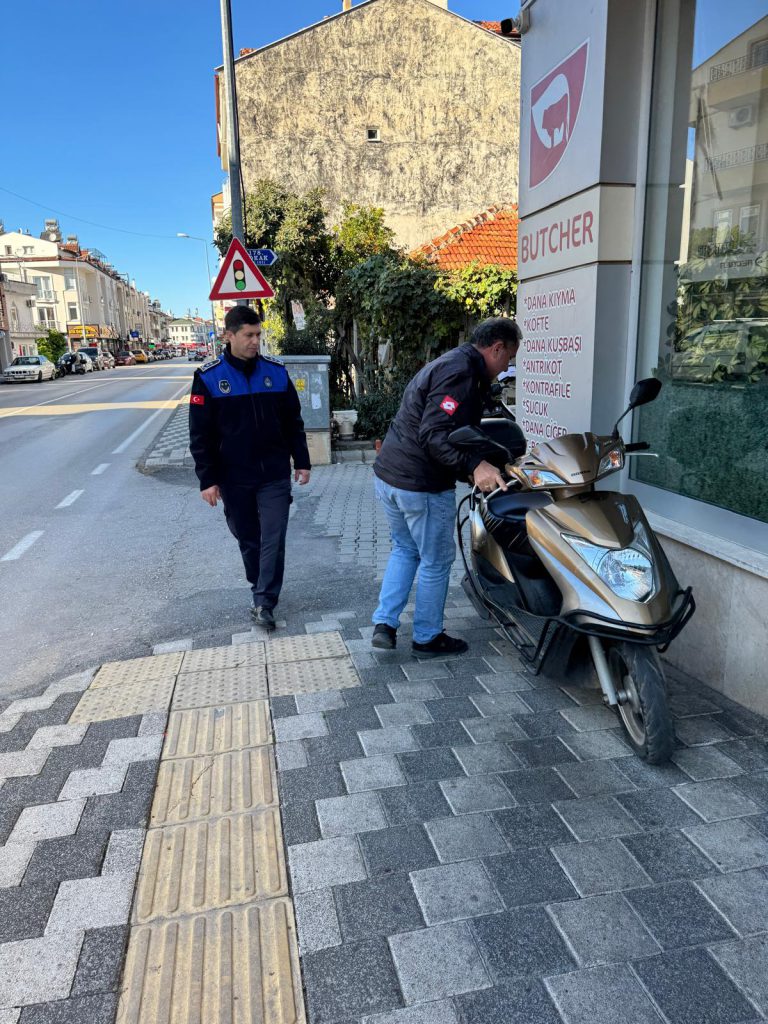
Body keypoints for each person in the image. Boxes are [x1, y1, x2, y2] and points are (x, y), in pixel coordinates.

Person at [372, 317, 521, 657]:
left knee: (405, 549)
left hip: (389, 476)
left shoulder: (452, 361)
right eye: (508, 358)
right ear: (496, 348)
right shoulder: (462, 373)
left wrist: (478, 461)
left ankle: (385, 624)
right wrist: (473, 465)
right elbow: (435, 434)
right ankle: (426, 637)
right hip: (419, 484)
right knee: (437, 560)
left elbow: (451, 429)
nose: (505, 368)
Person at [189, 305, 311, 630]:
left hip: (273, 473)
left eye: (258, 334)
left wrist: (302, 461)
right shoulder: (209, 378)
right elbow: (200, 436)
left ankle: (264, 602)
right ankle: (259, 584)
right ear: (229, 336)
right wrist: (208, 480)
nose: (255, 341)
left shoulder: (276, 372)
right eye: (248, 335)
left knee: (274, 535)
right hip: (233, 476)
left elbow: (293, 423)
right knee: (248, 538)